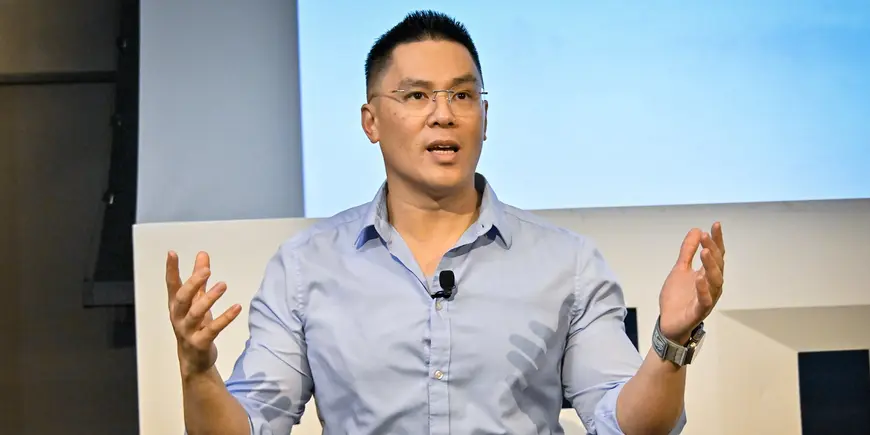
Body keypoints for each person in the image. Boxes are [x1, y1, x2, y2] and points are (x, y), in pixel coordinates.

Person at [166, 10, 726, 435]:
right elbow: (250, 424)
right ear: (371, 121)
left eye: (463, 94)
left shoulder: (568, 264)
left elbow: (625, 422)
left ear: (485, 116)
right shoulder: (306, 266)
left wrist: (670, 343)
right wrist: (197, 371)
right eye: (416, 95)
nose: (444, 113)